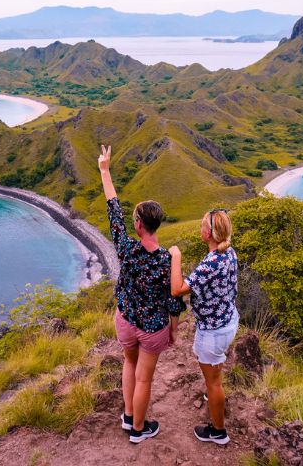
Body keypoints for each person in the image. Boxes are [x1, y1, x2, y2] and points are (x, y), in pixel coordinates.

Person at [98, 144, 184, 444]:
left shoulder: (126, 249)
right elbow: (174, 300)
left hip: (125, 319)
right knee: (144, 377)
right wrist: (173, 329)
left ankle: (128, 416)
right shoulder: (166, 260)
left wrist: (104, 170)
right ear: (156, 224)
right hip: (152, 328)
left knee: (128, 364)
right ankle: (138, 429)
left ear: (138, 225)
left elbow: (113, 210)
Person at [168, 208, 239, 445]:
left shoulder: (212, 262)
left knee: (214, 381)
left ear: (208, 233)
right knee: (212, 374)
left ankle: (218, 431)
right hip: (226, 319)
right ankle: (213, 399)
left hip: (214, 329)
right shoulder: (229, 252)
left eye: (202, 226)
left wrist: (175, 257)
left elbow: (177, 289)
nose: (200, 230)